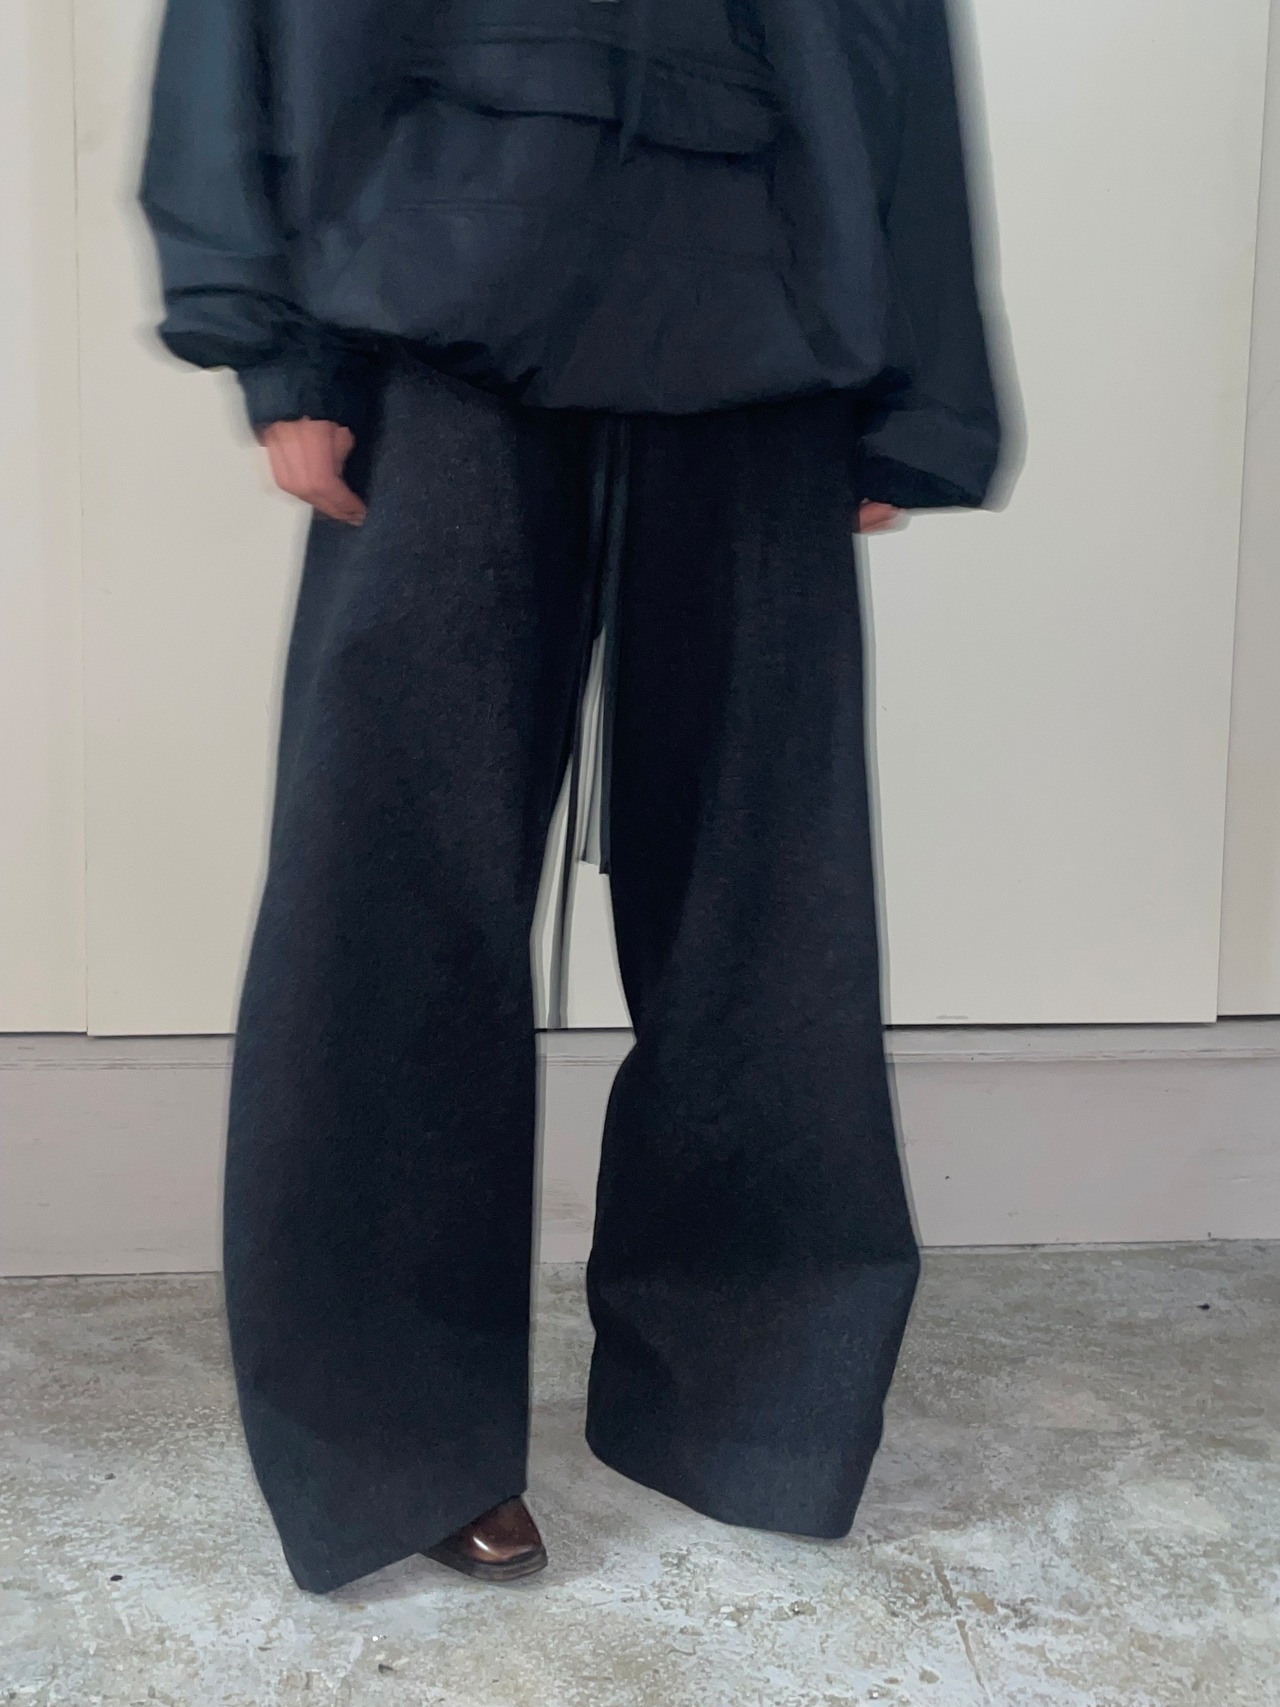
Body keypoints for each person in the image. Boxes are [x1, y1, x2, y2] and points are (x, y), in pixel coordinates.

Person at [139, 0, 1002, 1593]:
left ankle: (753, 1401)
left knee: (765, 901)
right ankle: (398, 1441)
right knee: (390, 890)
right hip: (437, 287)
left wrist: (922, 390)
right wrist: (271, 336)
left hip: (762, 299)